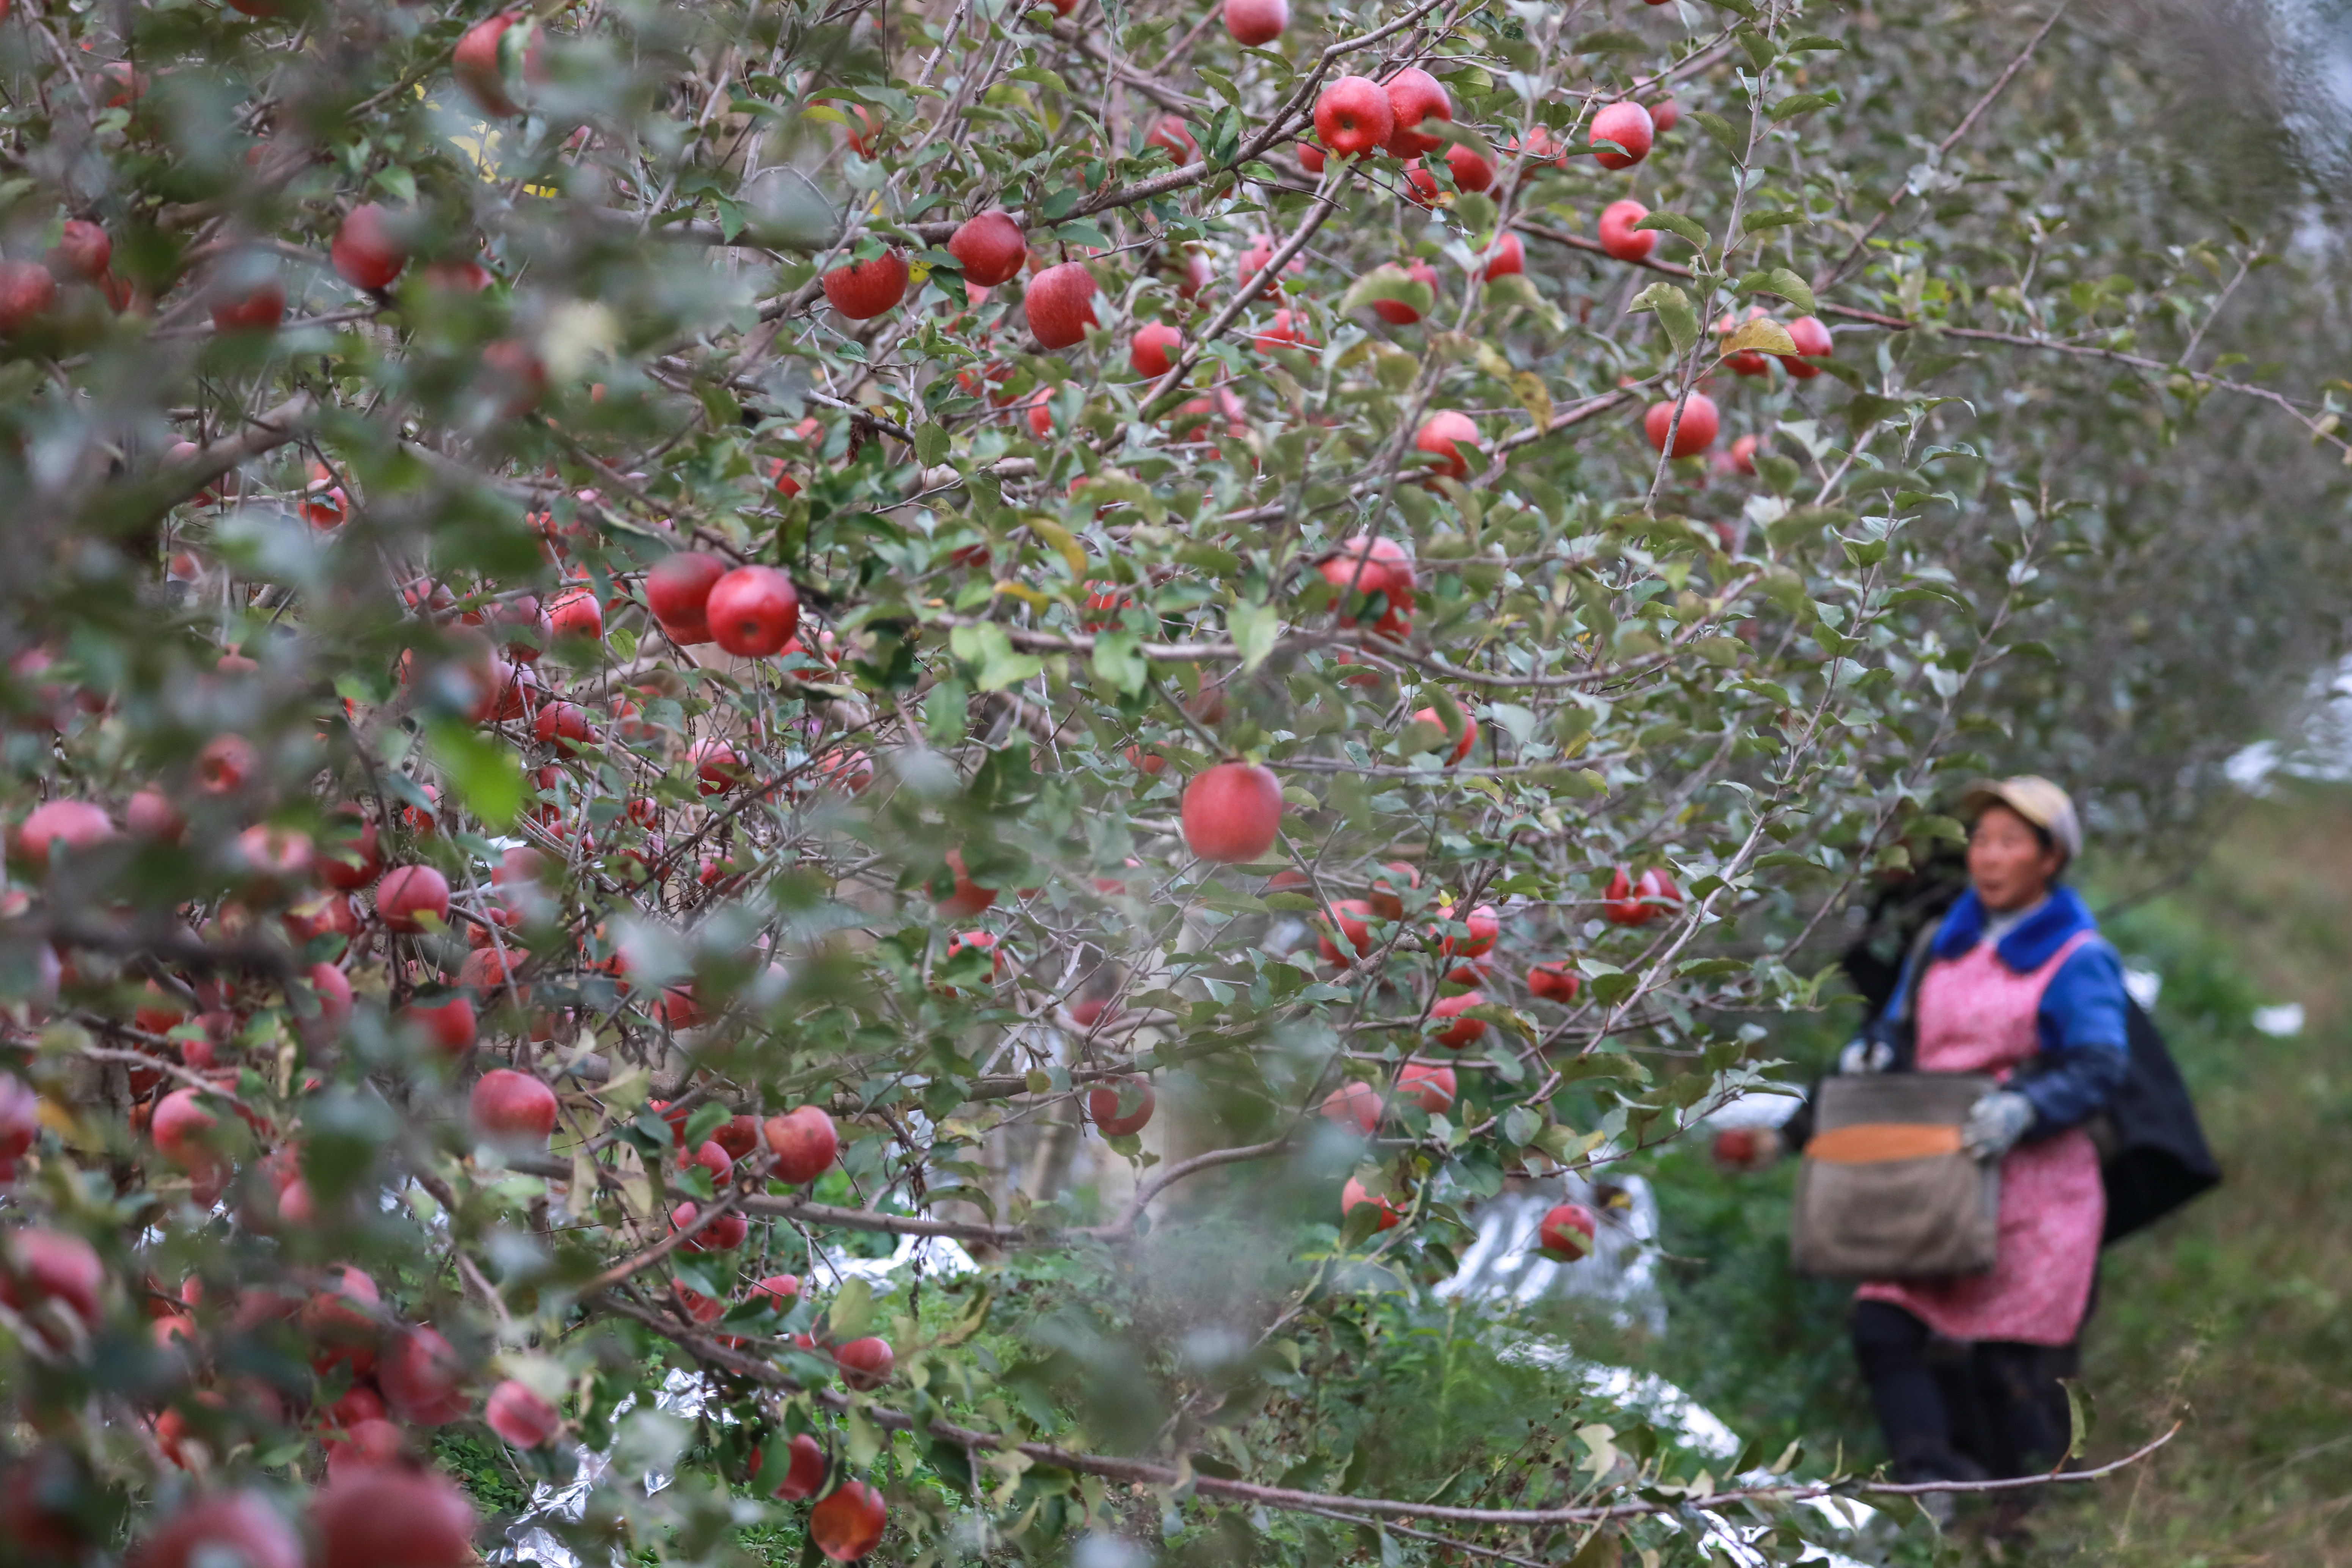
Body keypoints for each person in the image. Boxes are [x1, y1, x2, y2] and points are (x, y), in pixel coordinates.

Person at [1837, 777, 2131, 1505]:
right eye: (1982, 841)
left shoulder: (2075, 956)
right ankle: (1927, 1485)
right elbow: (1899, 1024)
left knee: (2009, 1368)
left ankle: (2019, 1523)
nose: (1988, 858)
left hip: (2032, 1187)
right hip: (1939, 1171)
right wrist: (1873, 1050)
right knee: (1884, 1319)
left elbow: (2101, 1062)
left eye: (2010, 843)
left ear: (2050, 858)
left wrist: (2026, 1106)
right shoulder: (1944, 939)